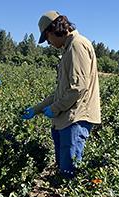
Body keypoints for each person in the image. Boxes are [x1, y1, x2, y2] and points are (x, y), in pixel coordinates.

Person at [21, 11, 101, 178]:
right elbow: (61, 92)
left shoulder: (77, 46)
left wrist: (55, 108)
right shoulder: (69, 48)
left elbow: (78, 88)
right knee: (62, 169)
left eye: (47, 38)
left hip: (76, 119)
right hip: (66, 119)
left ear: (53, 30)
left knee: (68, 173)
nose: (49, 43)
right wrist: (37, 109)